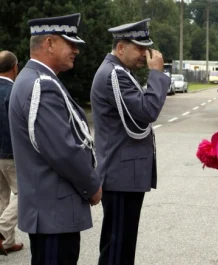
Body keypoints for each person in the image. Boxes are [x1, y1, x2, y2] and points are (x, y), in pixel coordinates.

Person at [8, 14, 102, 264]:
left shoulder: (36, 80)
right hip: (54, 214)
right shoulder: (41, 85)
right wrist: (92, 186)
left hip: (51, 212)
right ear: (49, 43)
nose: (76, 50)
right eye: (70, 43)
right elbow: (64, 151)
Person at [90, 18, 170, 265]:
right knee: (117, 249)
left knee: (121, 246)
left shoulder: (119, 72)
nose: (144, 54)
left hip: (124, 175)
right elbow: (147, 111)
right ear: (121, 47)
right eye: (139, 48)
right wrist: (156, 73)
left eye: (147, 49)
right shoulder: (114, 75)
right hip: (120, 175)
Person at [0, 51, 23, 256]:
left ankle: (6, 242)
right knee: (23, 194)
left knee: (2, 197)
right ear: (15, 67)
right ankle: (1, 232)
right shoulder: (14, 91)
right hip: (10, 153)